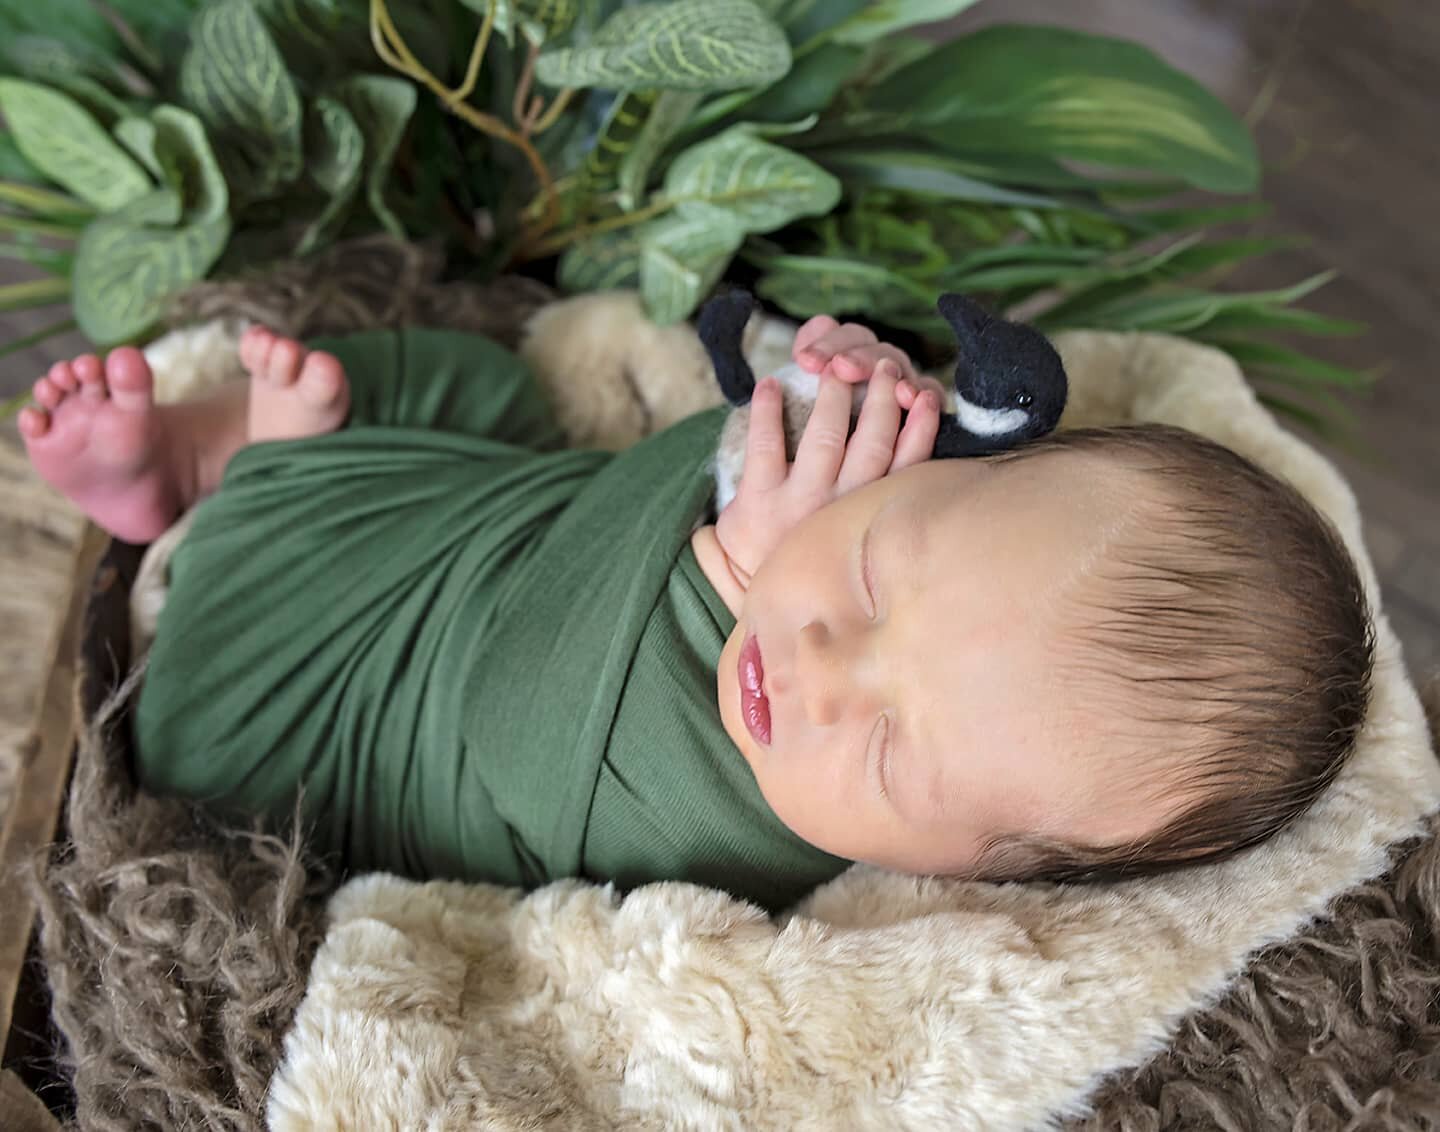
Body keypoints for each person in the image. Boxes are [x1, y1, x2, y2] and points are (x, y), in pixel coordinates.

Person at [16, 317, 1374, 912]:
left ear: (979, 871)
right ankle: (217, 457)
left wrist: (724, 569)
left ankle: (228, 476)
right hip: (484, 529)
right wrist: (839, 395)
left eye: (893, 751)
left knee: (200, 723)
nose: (824, 666)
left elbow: (516, 712)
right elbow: (685, 455)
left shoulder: (728, 837)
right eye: (876, 575)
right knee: (476, 380)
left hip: (316, 707)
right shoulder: (879, 594)